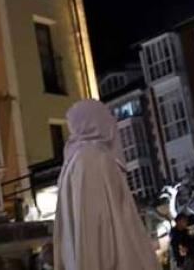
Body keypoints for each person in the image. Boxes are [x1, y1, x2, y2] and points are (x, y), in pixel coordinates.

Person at [53, 99, 159, 270]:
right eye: (106, 117)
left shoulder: (75, 160)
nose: (111, 122)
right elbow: (97, 226)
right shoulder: (93, 159)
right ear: (94, 122)